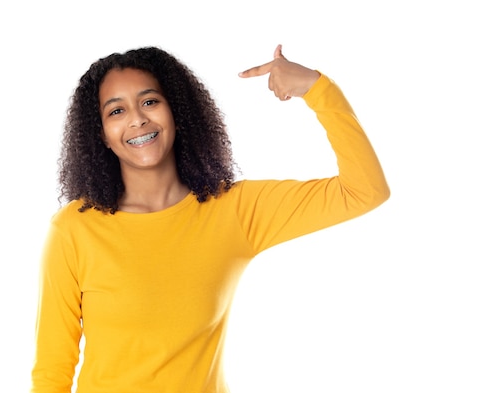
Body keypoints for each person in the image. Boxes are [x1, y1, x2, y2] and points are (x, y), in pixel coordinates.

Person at [30, 44, 390, 393]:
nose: (138, 118)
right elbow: (52, 373)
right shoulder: (74, 229)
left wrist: (318, 88)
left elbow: (364, 191)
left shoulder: (234, 209)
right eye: (116, 111)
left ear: (177, 112)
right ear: (101, 136)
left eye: (150, 102)